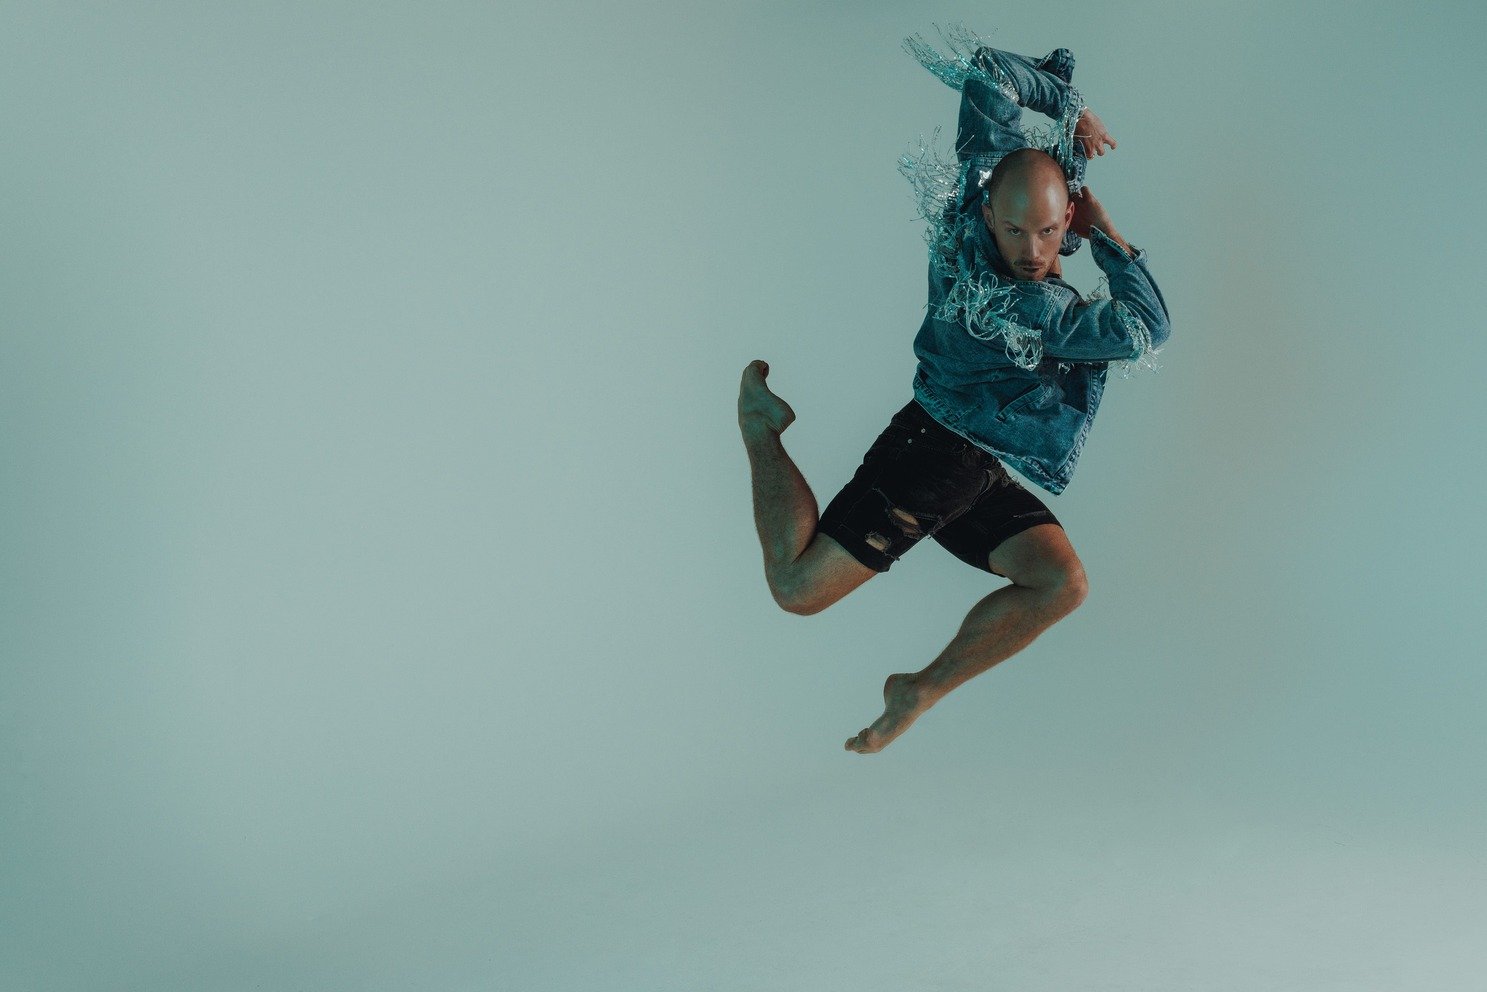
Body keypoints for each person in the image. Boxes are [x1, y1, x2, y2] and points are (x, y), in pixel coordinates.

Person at [736, 27, 1172, 754]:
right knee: (795, 587)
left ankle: (919, 688)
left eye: (1044, 233)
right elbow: (1144, 328)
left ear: (1061, 214)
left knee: (1058, 583)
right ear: (989, 218)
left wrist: (1069, 109)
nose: (1030, 253)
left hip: (978, 463)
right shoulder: (1035, 309)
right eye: (1013, 233)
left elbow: (992, 77)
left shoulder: (972, 192)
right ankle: (760, 429)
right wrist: (1108, 239)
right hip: (932, 457)